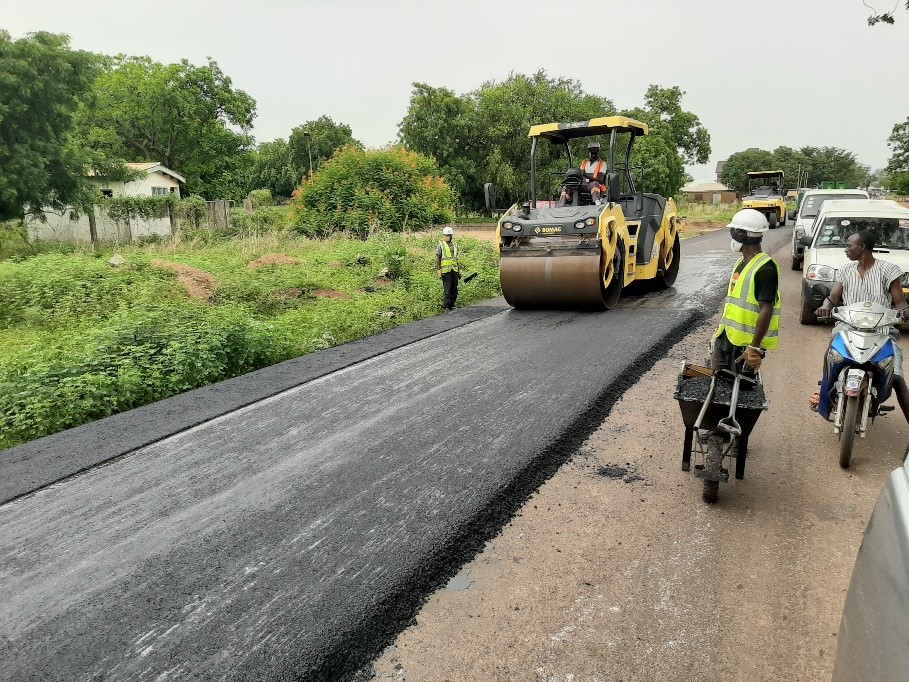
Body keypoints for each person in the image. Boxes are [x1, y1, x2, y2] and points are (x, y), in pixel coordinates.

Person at [813, 229, 909, 421]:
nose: (846, 249)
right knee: (831, 356)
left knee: (897, 377)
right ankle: (824, 396)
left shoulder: (888, 270)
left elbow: (899, 301)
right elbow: (833, 297)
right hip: (848, 328)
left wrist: (905, 311)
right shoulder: (846, 270)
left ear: (862, 247)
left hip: (882, 331)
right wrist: (825, 307)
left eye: (849, 246)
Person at [712, 209, 781, 375]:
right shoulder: (741, 263)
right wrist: (719, 333)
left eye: (733, 230)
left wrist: (754, 347)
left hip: (745, 346)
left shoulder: (765, 269)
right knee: (718, 387)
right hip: (727, 339)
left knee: (740, 395)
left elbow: (767, 307)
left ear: (741, 234)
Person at [558, 141, 606, 207]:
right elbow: (580, 174)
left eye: (595, 149)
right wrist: (588, 176)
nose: (593, 152)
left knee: (595, 183)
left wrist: (585, 174)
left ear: (598, 150)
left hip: (593, 185)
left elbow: (600, 179)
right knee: (567, 186)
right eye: (591, 149)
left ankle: (597, 203)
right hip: (582, 183)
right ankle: (561, 205)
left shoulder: (602, 163)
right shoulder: (585, 162)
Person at [436, 226, 460, 311]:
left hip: (455, 270)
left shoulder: (455, 245)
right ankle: (446, 305)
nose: (447, 237)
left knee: (454, 288)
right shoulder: (441, 245)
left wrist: (459, 271)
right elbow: (438, 258)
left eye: (448, 235)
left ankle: (452, 304)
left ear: (451, 236)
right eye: (445, 235)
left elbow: (456, 259)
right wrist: (439, 270)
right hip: (446, 271)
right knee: (447, 289)